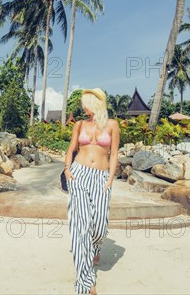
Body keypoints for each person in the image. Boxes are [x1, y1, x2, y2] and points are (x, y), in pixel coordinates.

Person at [64, 88, 120, 295]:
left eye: (85, 102)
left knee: (99, 227)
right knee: (81, 229)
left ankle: (96, 247)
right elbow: (71, 150)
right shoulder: (79, 125)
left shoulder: (112, 125)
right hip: (79, 175)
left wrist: (110, 179)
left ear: (94, 103)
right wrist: (67, 171)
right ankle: (85, 283)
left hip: (101, 178)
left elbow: (114, 154)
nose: (83, 107)